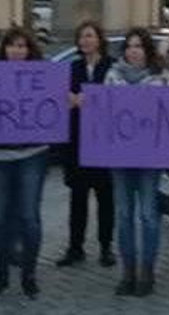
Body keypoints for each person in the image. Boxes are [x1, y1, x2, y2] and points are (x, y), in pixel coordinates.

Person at [106, 27, 169, 297]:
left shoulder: (164, 78)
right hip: (120, 158)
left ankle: (147, 270)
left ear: (147, 49)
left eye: (138, 45)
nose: (133, 50)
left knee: (149, 215)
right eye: (129, 45)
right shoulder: (112, 76)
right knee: (124, 215)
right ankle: (128, 271)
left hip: (151, 158)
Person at [0, 28, 49, 303]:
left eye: (22, 46)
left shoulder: (44, 76)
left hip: (33, 154)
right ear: (4, 49)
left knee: (30, 218)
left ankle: (28, 276)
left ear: (30, 50)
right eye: (12, 45)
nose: (17, 50)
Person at [56, 21, 116, 271]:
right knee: (77, 199)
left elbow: (119, 99)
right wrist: (67, 99)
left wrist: (88, 98)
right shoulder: (72, 68)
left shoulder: (112, 67)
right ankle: (75, 247)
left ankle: (105, 247)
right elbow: (59, 100)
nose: (85, 41)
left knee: (106, 199)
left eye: (90, 36)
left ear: (99, 39)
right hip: (77, 142)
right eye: (81, 37)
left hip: (105, 143)